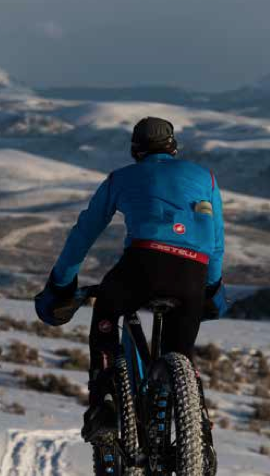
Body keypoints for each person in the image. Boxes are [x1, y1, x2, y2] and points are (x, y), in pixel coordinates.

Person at [36, 117, 227, 441]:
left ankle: (105, 401)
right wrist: (212, 288)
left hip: (141, 266)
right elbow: (216, 242)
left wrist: (61, 283)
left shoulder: (120, 179)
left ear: (135, 151)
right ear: (173, 148)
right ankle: (199, 430)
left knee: (107, 312)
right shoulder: (204, 177)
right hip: (192, 274)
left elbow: (83, 235)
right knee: (181, 352)